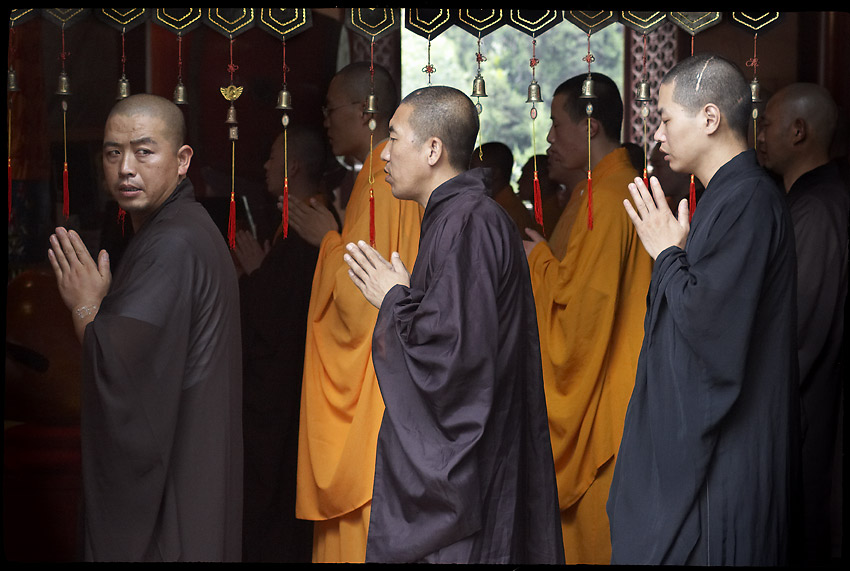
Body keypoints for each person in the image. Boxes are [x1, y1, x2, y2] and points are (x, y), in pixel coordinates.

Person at [343, 84, 563, 564]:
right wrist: (409, 304)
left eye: (394, 138)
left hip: (474, 480)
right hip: (481, 466)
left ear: (433, 149)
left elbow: (453, 362)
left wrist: (394, 301)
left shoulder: (470, 222)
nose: (383, 153)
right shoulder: (457, 217)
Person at [608, 53, 799, 565]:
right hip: (719, 452)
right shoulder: (728, 196)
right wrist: (676, 257)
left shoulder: (748, 200)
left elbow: (712, 328)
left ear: (709, 118)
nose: (658, 136)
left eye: (666, 119)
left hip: (726, 461)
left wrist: (667, 253)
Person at [46, 93, 242, 561]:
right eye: (114, 153)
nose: (126, 168)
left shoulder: (173, 243)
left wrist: (84, 306)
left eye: (144, 151)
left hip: (173, 492)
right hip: (193, 474)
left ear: (182, 160)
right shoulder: (178, 229)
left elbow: (122, 370)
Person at [291, 61, 423, 563]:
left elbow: (361, 300)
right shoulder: (382, 172)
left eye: (331, 109)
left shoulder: (381, 176)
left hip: (375, 382)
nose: (325, 120)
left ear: (366, 111)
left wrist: (325, 242)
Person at [521, 73, 653, 564]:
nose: (550, 139)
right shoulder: (595, 191)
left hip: (605, 404)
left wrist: (535, 260)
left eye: (557, 125)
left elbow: (580, 316)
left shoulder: (611, 194)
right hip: (612, 389)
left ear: (591, 125)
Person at [234, 126, 337, 563]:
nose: (264, 166)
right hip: (295, 388)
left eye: (272, 157)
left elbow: (272, 321)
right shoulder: (302, 224)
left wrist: (254, 272)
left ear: (293, 167)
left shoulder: (311, 231)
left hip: (289, 394)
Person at [756, 82, 848, 565]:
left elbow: (798, 334)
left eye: (767, 123)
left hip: (806, 414)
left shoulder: (817, 209)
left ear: (798, 131)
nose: (760, 135)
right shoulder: (805, 202)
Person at [469, 141, 534, 232]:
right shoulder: (499, 205)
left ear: (495, 173)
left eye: (473, 168)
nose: (468, 174)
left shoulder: (504, 212)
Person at [516, 153, 565, 236]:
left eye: (525, 176)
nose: (519, 181)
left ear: (544, 181)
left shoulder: (550, 218)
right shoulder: (541, 213)